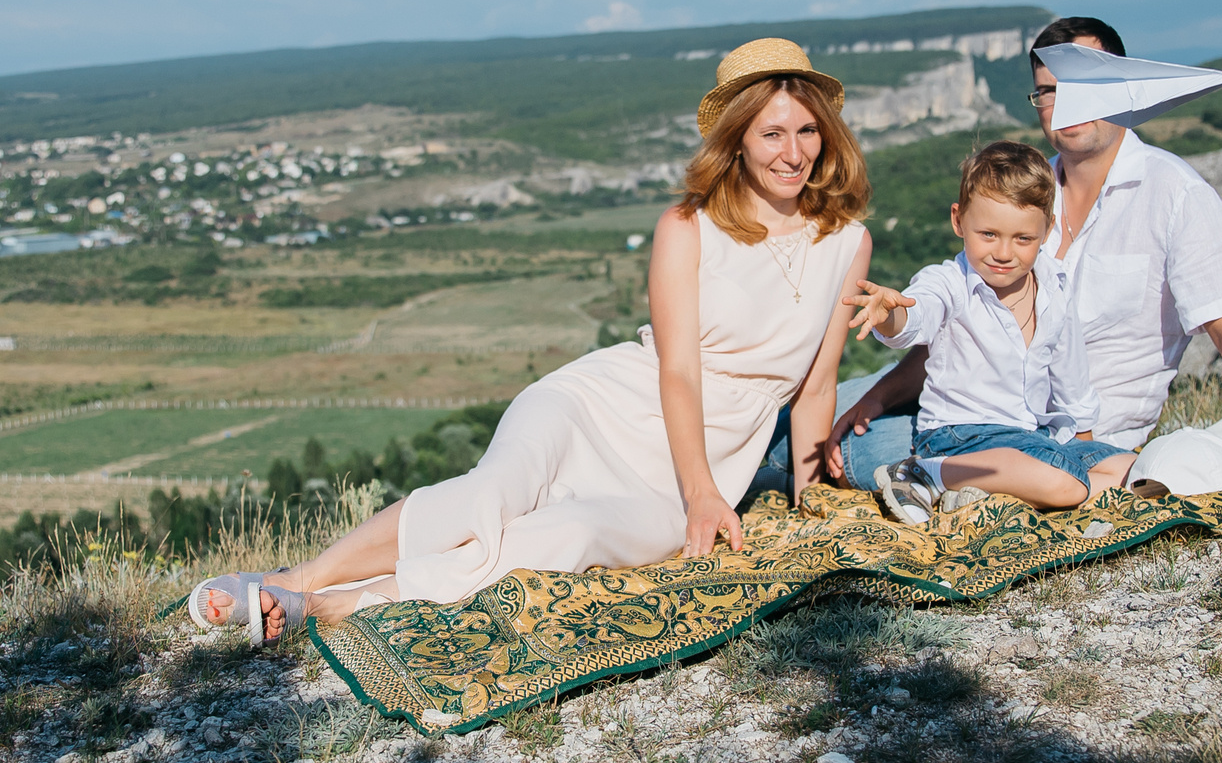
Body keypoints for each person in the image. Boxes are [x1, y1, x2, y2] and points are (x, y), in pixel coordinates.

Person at [190, 38, 874, 640]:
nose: (794, 153)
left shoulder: (847, 243)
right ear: (738, 140)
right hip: (604, 405)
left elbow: (816, 385)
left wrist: (807, 502)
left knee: (562, 537)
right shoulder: (686, 226)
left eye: (808, 131)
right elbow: (678, 372)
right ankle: (296, 580)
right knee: (492, 493)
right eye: (772, 134)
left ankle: (328, 607)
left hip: (695, 468)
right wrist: (703, 494)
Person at [828, 15, 1222, 497]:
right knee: (820, 406)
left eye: (1082, 85)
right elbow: (965, 317)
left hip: (1077, 439)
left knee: (826, 448)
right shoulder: (1023, 195)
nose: (1062, 103)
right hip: (965, 405)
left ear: (1125, 90)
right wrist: (879, 393)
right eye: (1047, 90)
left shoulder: (1175, 195)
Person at [842, 140, 1134, 518]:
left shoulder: (1055, 288)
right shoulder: (951, 282)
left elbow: (1071, 377)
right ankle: (922, 472)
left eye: (1023, 239)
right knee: (1065, 481)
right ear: (958, 220)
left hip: (1032, 437)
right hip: (959, 436)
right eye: (988, 234)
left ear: (1048, 232)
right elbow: (918, 314)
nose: (1003, 252)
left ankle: (995, 491)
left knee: (1130, 469)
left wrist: (1082, 446)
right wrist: (888, 315)